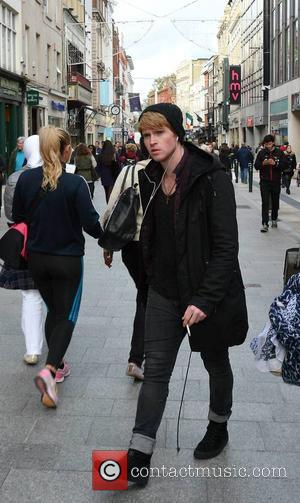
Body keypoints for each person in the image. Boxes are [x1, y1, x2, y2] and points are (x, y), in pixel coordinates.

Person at [125, 103, 248, 486]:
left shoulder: (212, 176)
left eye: (158, 133)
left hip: (204, 295)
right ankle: (138, 454)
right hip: (163, 292)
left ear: (176, 132)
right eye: (146, 135)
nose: (151, 142)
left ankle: (218, 425)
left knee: (216, 363)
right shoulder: (150, 177)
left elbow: (227, 248)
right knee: (156, 372)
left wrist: (204, 300)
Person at [12, 126, 103, 408]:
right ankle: (50, 371)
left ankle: (58, 364)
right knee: (65, 316)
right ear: (65, 151)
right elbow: (90, 223)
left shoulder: (25, 180)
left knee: (54, 310)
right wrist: (107, 238)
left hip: (37, 258)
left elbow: (17, 217)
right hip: (67, 260)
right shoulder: (75, 184)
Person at [102, 151, 151, 380]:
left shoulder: (128, 170)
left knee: (145, 294)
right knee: (146, 297)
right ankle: (137, 358)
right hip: (155, 246)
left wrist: (108, 246)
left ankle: (138, 358)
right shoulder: (164, 171)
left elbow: (111, 209)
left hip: (131, 246)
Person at [1, 135, 44, 365]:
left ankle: (32, 348)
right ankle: (55, 342)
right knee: (53, 296)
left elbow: (10, 215)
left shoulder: (16, 178)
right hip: (53, 243)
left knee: (30, 295)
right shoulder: (59, 175)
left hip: (26, 244)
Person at [254, 134, 287, 233]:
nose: (267, 146)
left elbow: (284, 166)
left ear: (273, 143)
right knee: (265, 202)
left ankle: (274, 219)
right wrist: (263, 163)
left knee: (275, 202)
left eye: (269, 144)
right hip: (264, 181)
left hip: (276, 181)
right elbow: (256, 166)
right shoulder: (261, 153)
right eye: (265, 144)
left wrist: (275, 164)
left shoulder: (280, 153)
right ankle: (265, 223)